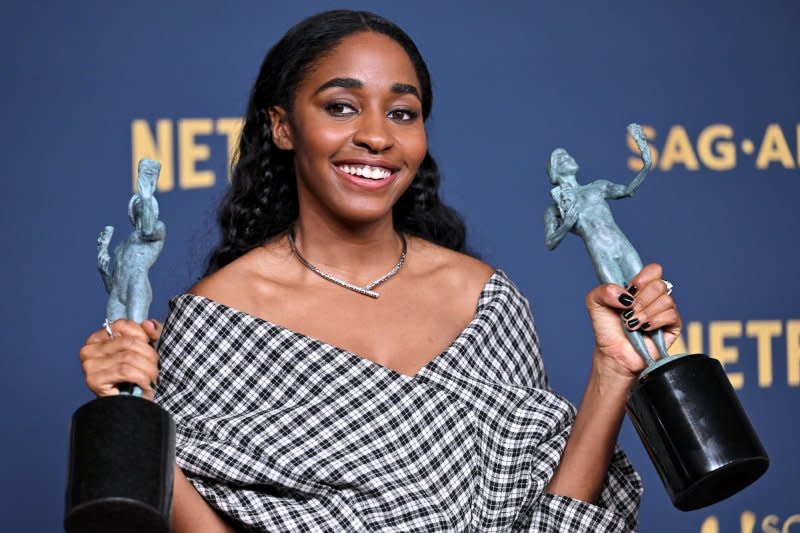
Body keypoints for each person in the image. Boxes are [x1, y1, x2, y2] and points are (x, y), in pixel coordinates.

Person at [79, 10, 681, 532]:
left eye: (402, 113)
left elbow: (560, 523)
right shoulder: (216, 322)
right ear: (283, 126)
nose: (375, 136)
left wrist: (612, 370)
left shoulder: (485, 301)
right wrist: (134, 416)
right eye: (341, 107)